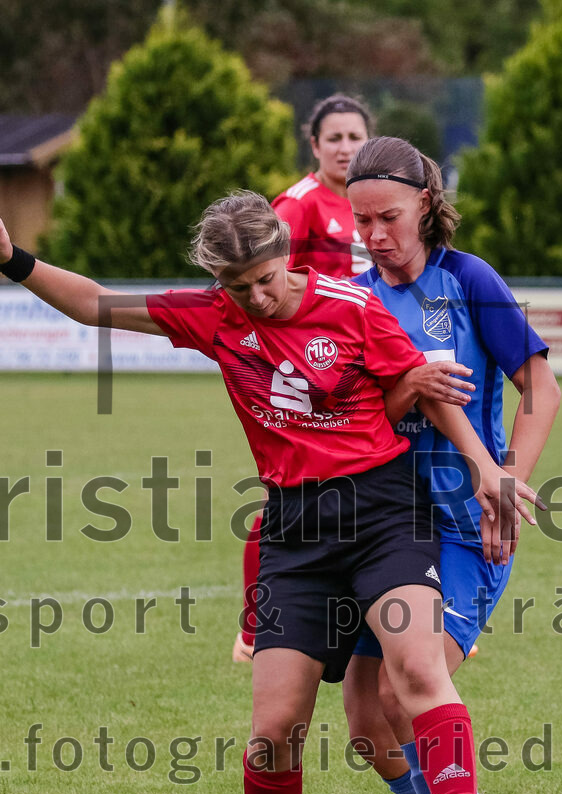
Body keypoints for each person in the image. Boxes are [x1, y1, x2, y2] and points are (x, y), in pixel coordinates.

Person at [0, 191, 541, 794]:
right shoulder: (213, 315)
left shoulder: (352, 307)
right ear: (219, 283)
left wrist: (486, 467)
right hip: (295, 535)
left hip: (385, 517)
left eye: (266, 279)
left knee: (417, 673)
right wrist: (9, 258)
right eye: (239, 287)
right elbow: (95, 304)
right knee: (273, 729)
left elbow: (423, 393)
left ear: (284, 256)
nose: (258, 298)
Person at [340, 137, 562, 794]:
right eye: (361, 221)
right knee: (367, 723)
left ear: (426, 205)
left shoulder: (468, 281)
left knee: (408, 689)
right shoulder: (356, 298)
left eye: (388, 217)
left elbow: (540, 386)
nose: (375, 235)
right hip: (385, 527)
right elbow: (364, 413)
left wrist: (507, 479)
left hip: (467, 527)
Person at [233, 94, 373, 665]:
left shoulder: (374, 203)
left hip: (367, 362)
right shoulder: (298, 204)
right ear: (313, 145)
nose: (345, 148)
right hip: (312, 373)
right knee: (287, 499)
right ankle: (254, 628)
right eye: (333, 138)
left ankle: (418, 613)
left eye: (355, 137)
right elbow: (261, 280)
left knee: (396, 487)